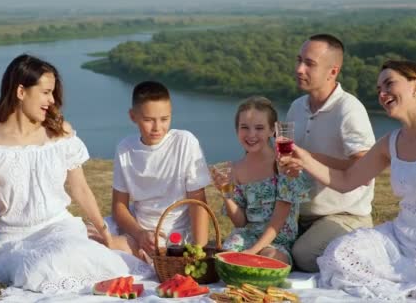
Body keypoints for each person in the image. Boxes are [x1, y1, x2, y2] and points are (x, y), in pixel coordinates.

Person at [280, 60, 416, 299]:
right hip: (401, 237)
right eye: (379, 89)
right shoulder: (390, 142)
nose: (382, 94)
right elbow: (347, 181)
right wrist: (305, 158)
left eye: (389, 84)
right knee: (338, 253)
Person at [0, 54, 152, 294]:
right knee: (37, 269)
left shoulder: (60, 134)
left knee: (95, 259)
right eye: (46, 92)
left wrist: (106, 236)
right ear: (21, 91)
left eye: (53, 93)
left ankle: (109, 248)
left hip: (61, 228)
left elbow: (80, 189)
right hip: (16, 240)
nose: (52, 100)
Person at [286, 33, 376, 272]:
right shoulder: (297, 107)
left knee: (303, 256)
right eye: (298, 60)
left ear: (333, 71)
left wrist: (307, 158)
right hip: (300, 217)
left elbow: (364, 167)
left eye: (309, 64)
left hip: (345, 217)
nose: (299, 69)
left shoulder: (349, 109)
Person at [109, 80, 211, 261]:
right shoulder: (125, 148)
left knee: (107, 247)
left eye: (165, 119)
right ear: (133, 116)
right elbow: (119, 207)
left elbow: (198, 202)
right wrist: (140, 234)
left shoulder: (185, 142)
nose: (157, 128)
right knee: (87, 235)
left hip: (173, 238)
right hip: (137, 230)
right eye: (148, 120)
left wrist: (199, 251)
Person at [213, 96, 312, 264]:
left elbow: (279, 220)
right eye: (244, 127)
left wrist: (252, 252)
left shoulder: (285, 164)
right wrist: (225, 193)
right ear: (237, 130)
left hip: (277, 242)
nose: (251, 134)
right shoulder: (235, 169)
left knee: (265, 259)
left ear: (272, 131)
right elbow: (241, 222)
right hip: (247, 238)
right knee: (224, 258)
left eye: (259, 128)